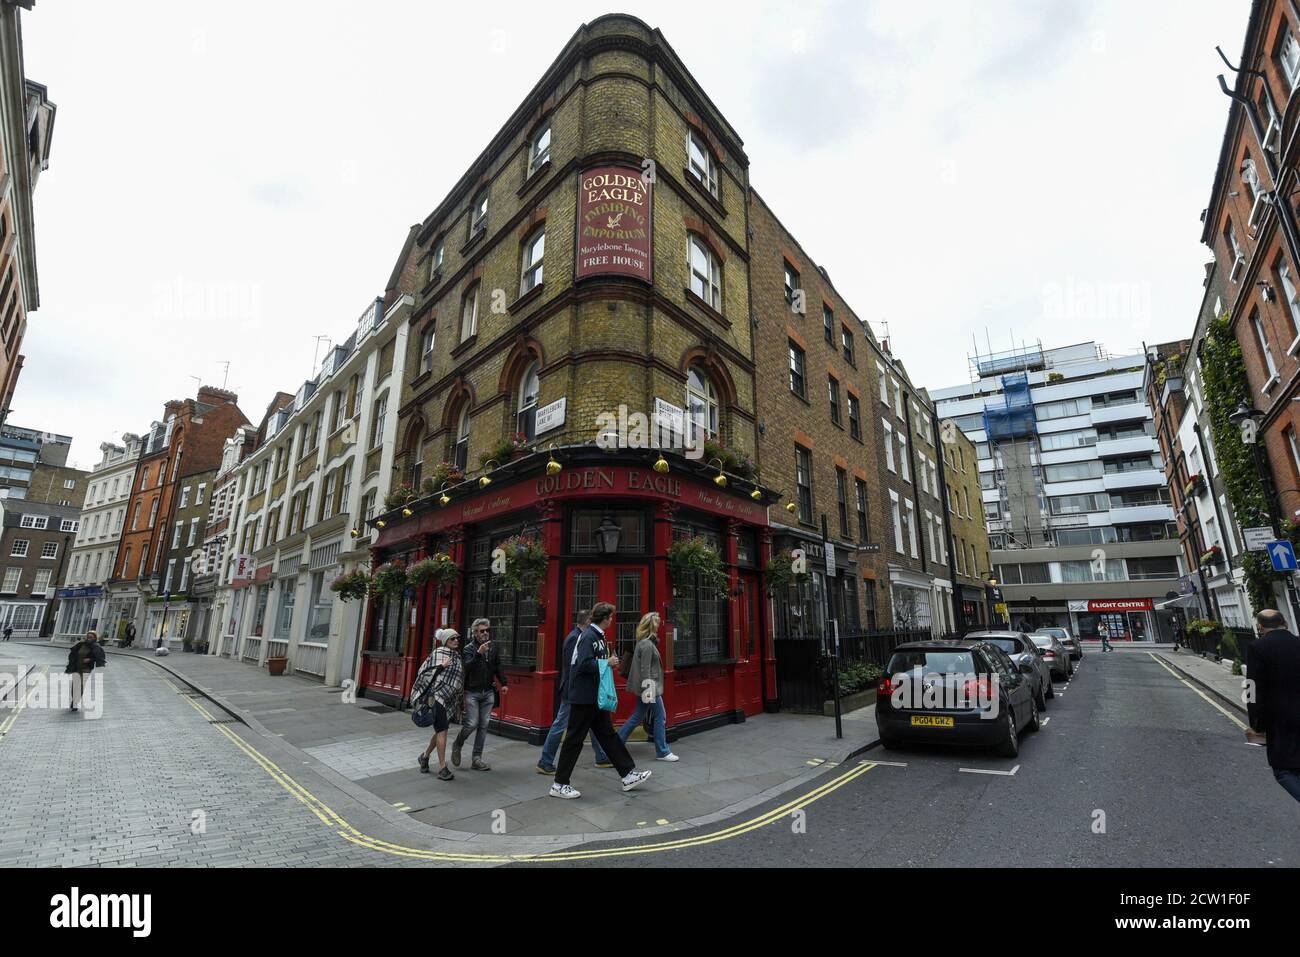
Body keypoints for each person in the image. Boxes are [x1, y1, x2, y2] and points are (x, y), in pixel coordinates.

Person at [549, 602, 651, 800]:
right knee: (574, 739)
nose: (612, 620)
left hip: (594, 697)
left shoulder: (598, 637)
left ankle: (628, 775)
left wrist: (606, 662)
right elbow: (581, 665)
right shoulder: (588, 636)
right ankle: (559, 784)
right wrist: (607, 662)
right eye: (611, 617)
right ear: (605, 618)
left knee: (608, 735)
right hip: (583, 697)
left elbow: (592, 664)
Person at [537, 611, 610, 774]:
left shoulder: (580, 636)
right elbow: (575, 668)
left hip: (583, 692)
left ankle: (601, 756)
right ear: (588, 621)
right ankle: (545, 760)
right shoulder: (575, 638)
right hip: (573, 692)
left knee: (593, 723)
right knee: (560, 725)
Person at [1246, 608, 1300, 804]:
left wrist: (1256, 723)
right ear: (1284, 622)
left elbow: (1252, 688)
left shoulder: (1258, 647)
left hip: (1280, 719)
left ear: (1260, 627)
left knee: (1283, 770)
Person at [617, 611, 678, 762]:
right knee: (660, 717)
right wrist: (649, 692)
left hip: (645, 687)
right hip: (649, 687)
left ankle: (616, 745)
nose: (660, 624)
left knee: (637, 716)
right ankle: (662, 752)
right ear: (652, 625)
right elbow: (645, 670)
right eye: (657, 622)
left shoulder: (642, 642)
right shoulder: (647, 644)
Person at [452, 618, 508, 771]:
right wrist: (478, 653)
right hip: (472, 692)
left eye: (486, 630)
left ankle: (477, 759)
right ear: (475, 633)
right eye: (482, 631)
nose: (485, 633)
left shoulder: (493, 647)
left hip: (488, 692)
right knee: (471, 723)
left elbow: (497, 665)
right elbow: (466, 668)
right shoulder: (469, 649)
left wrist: (504, 683)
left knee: (484, 726)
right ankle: (458, 743)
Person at [414, 628, 466, 781]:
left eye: (457, 638)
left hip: (450, 699)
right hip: (438, 698)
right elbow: (423, 672)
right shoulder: (438, 654)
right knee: (442, 731)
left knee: (439, 732)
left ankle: (424, 757)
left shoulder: (457, 656)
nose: (456, 640)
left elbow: (459, 678)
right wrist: (441, 667)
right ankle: (443, 768)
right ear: (445, 641)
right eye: (452, 638)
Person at [65, 629, 106, 713]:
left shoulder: (96, 647)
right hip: (76, 667)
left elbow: (98, 657)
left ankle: (75, 702)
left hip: (86, 668)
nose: (89, 638)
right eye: (88, 637)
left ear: (95, 638)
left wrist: (90, 659)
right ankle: (74, 700)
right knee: (74, 685)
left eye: (91, 637)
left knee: (80, 685)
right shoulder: (81, 645)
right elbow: (73, 653)